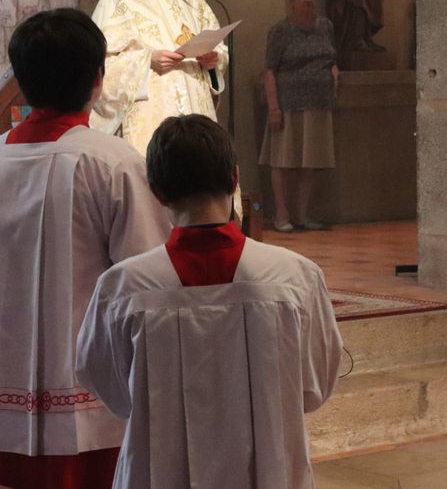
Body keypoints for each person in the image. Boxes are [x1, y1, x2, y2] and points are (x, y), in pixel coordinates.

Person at [0, 8, 169, 489]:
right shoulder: (116, 164)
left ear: (20, 82)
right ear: (98, 80)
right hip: (89, 405)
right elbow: (148, 284)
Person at [76, 114, 342, 489]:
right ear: (234, 179)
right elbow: (313, 388)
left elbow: (112, 389)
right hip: (270, 472)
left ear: (156, 191)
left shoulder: (124, 286)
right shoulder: (294, 277)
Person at [90, 0, 228, 157]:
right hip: (150, 122)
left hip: (198, 115)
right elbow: (97, 66)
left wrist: (213, 61)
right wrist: (146, 61)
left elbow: (219, 47)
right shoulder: (117, 0)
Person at [260, 0, 339, 232]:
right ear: (292, 0)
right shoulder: (282, 30)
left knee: (310, 161)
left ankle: (303, 213)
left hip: (318, 102)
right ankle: (281, 214)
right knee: (283, 160)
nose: (308, 0)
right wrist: (274, 108)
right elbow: (270, 70)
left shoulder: (325, 26)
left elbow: (330, 56)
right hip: (288, 103)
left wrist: (334, 71)